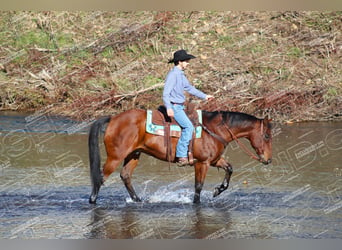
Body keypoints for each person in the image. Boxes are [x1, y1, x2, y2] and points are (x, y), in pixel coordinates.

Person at [163, 49, 214, 166]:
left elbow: (190, 88)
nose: (188, 63)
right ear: (180, 61)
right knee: (189, 128)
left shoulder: (180, 74)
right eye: (186, 61)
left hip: (180, 107)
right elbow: (166, 93)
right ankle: (181, 156)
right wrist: (168, 107)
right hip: (175, 107)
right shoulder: (173, 75)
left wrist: (205, 96)